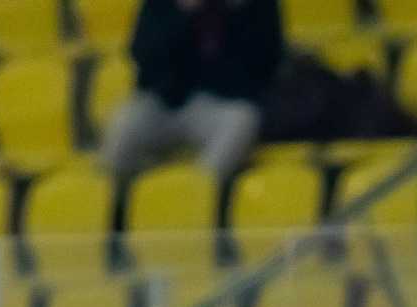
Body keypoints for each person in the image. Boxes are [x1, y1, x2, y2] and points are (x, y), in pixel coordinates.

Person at [101, 0, 283, 186]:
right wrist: (181, 14)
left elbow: (266, 64)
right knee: (124, 124)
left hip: (223, 103)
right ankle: (118, 194)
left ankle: (198, 191)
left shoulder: (256, 5)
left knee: (242, 121)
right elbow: (145, 55)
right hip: (166, 101)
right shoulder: (162, 5)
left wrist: (238, 14)